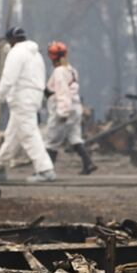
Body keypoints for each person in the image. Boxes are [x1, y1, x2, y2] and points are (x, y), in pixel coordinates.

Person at [0, 27, 56, 183]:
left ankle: (45, 170)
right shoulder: (36, 54)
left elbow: (8, 80)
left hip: (22, 98)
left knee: (29, 134)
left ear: (12, 39)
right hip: (33, 97)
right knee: (13, 136)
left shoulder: (16, 53)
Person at [44, 41, 97, 175]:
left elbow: (63, 92)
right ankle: (88, 163)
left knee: (51, 140)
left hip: (64, 108)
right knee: (74, 137)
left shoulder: (59, 71)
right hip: (75, 107)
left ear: (51, 56)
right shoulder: (71, 69)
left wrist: (62, 112)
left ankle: (46, 170)